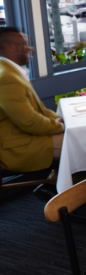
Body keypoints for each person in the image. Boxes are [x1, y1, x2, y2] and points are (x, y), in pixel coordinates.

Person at [0, 27, 64, 173]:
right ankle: (66, 192)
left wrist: (59, 120)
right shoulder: (7, 78)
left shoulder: (10, 71)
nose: (31, 49)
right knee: (80, 143)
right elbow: (29, 122)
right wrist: (59, 126)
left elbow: (38, 109)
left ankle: (57, 187)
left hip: (26, 137)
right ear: (14, 47)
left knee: (78, 140)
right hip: (18, 147)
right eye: (25, 45)